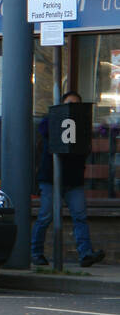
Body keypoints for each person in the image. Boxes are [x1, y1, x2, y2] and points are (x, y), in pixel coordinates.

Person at [31, 91, 105, 267]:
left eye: (76, 104)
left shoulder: (82, 125)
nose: (72, 108)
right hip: (51, 177)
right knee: (45, 216)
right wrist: (59, 117)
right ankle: (36, 252)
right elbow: (44, 130)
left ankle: (85, 254)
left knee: (79, 216)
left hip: (73, 179)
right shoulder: (51, 120)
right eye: (68, 104)